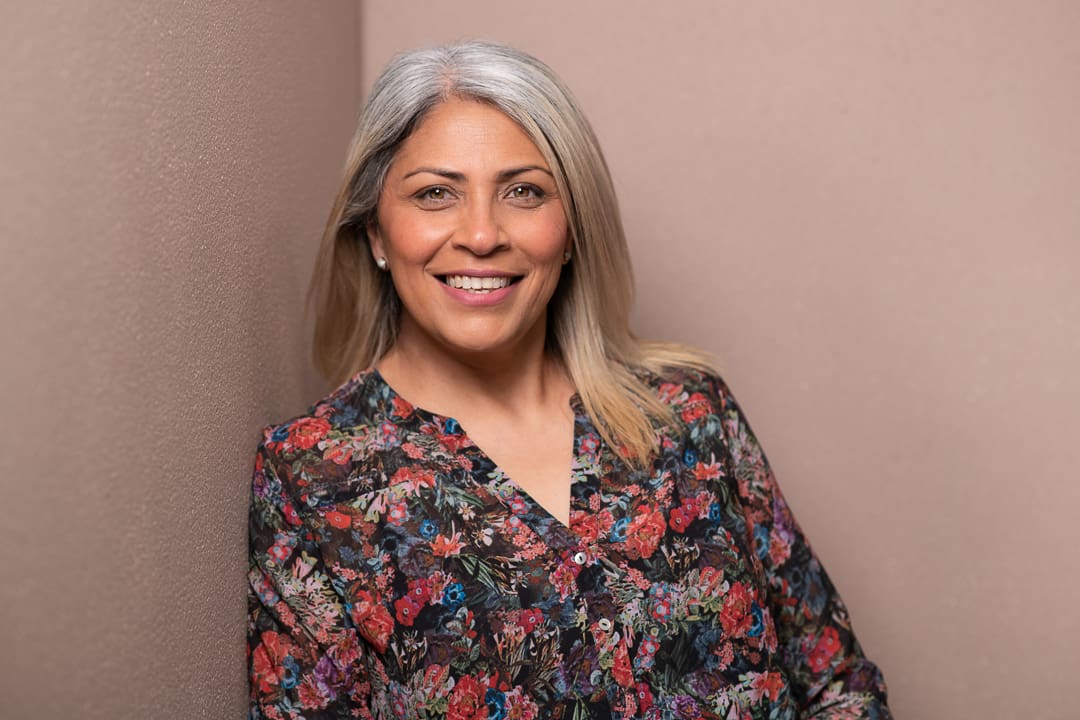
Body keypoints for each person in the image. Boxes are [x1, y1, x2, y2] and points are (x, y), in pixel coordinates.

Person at [247, 41, 891, 719]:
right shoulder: (312, 477)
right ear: (377, 231)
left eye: (523, 192)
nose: (482, 234)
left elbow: (837, 684)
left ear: (572, 227)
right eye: (436, 194)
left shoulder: (689, 413)